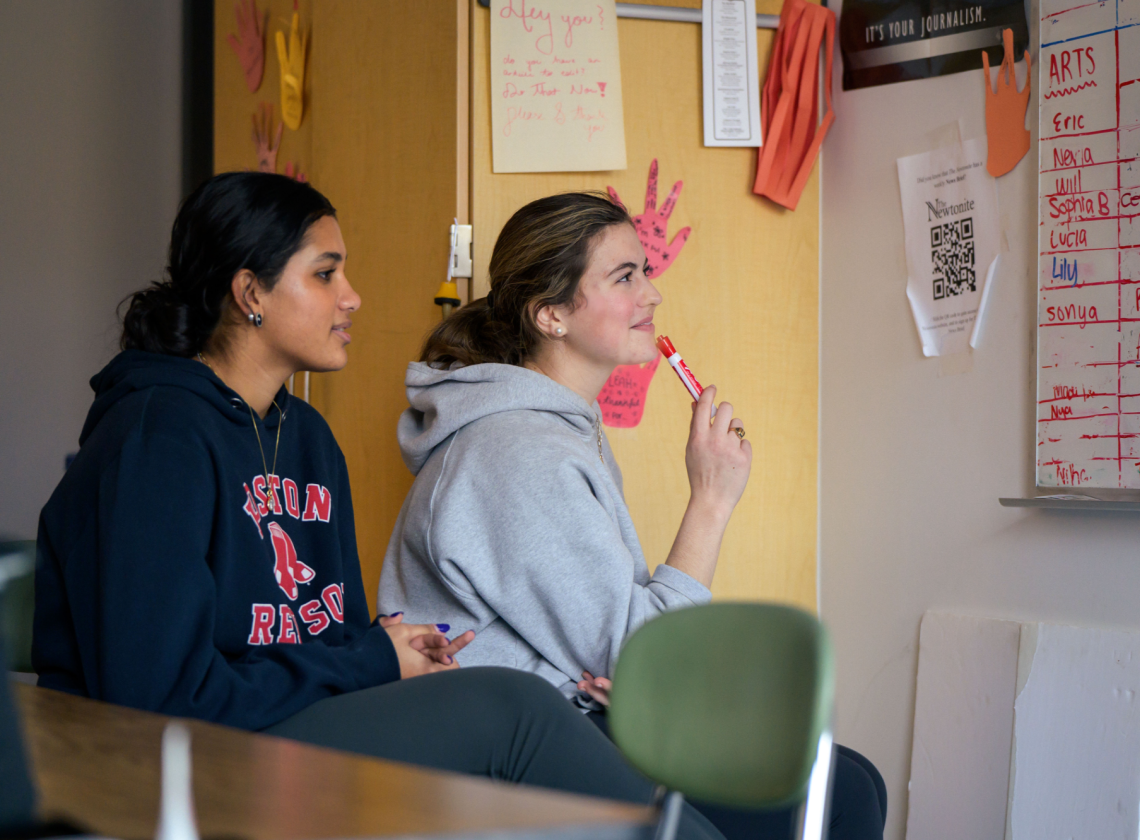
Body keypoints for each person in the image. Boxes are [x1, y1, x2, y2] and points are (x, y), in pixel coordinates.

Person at [31, 172, 724, 840]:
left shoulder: (305, 439)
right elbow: (157, 696)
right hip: (170, 757)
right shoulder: (157, 436)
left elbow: (326, 638)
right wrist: (369, 661)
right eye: (325, 274)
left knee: (556, 720)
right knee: (509, 707)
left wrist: (395, 651)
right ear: (251, 294)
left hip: (280, 731)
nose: (353, 298)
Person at [377, 192, 885, 840]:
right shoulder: (517, 453)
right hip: (511, 762)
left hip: (569, 724)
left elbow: (626, 659)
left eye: (645, 271)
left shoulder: (554, 434)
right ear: (552, 313)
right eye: (625, 277)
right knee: (839, 797)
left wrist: (623, 674)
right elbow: (645, 666)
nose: (652, 295)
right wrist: (711, 500)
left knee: (852, 779)